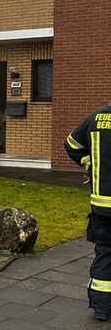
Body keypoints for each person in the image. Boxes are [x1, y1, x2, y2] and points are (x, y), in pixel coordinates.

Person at [65, 103, 111, 322]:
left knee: (105, 253)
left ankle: (102, 308)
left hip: (102, 205)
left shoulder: (96, 119)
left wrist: (91, 165)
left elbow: (71, 143)